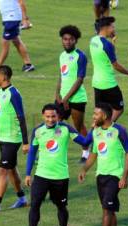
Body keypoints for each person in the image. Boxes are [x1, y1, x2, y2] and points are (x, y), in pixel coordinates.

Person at [21, 104, 91, 226]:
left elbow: (85, 142)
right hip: (41, 175)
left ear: (58, 116)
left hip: (60, 177)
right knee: (35, 204)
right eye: (47, 116)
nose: (50, 119)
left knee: (60, 206)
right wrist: (28, 174)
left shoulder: (66, 129)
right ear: (43, 116)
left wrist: (94, 128)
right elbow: (32, 153)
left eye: (53, 116)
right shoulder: (38, 131)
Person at [78, 103, 128, 226]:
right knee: (108, 208)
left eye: (96, 114)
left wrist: (124, 177)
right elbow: (94, 153)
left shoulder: (119, 131)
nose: (93, 117)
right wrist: (84, 169)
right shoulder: (96, 132)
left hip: (115, 175)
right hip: (100, 175)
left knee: (107, 208)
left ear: (105, 116)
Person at [0, 65, 29, 214]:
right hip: (3, 137)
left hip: (12, 137)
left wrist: (26, 142)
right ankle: (22, 199)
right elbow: (1, 114)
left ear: (4, 77)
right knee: (11, 169)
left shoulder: (13, 94)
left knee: (3, 169)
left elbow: (21, 117)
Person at [55, 25, 90, 163]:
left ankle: (86, 152)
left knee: (79, 126)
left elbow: (80, 79)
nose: (68, 42)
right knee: (53, 123)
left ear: (76, 40)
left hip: (77, 99)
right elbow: (61, 75)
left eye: (71, 39)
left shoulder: (80, 56)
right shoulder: (62, 56)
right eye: (65, 39)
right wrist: (57, 94)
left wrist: (67, 98)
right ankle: (51, 150)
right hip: (62, 98)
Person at [90, 16, 128, 121]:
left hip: (97, 83)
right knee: (119, 108)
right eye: (112, 27)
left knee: (100, 111)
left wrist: (113, 43)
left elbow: (107, 55)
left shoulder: (93, 40)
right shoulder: (106, 45)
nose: (114, 30)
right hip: (108, 83)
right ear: (105, 27)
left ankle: (97, 130)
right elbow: (115, 65)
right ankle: (107, 126)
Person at [0, 0, 35, 75]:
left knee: (5, 42)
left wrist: (25, 19)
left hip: (12, 18)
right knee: (16, 41)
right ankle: (28, 65)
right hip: (8, 18)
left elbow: (21, 2)